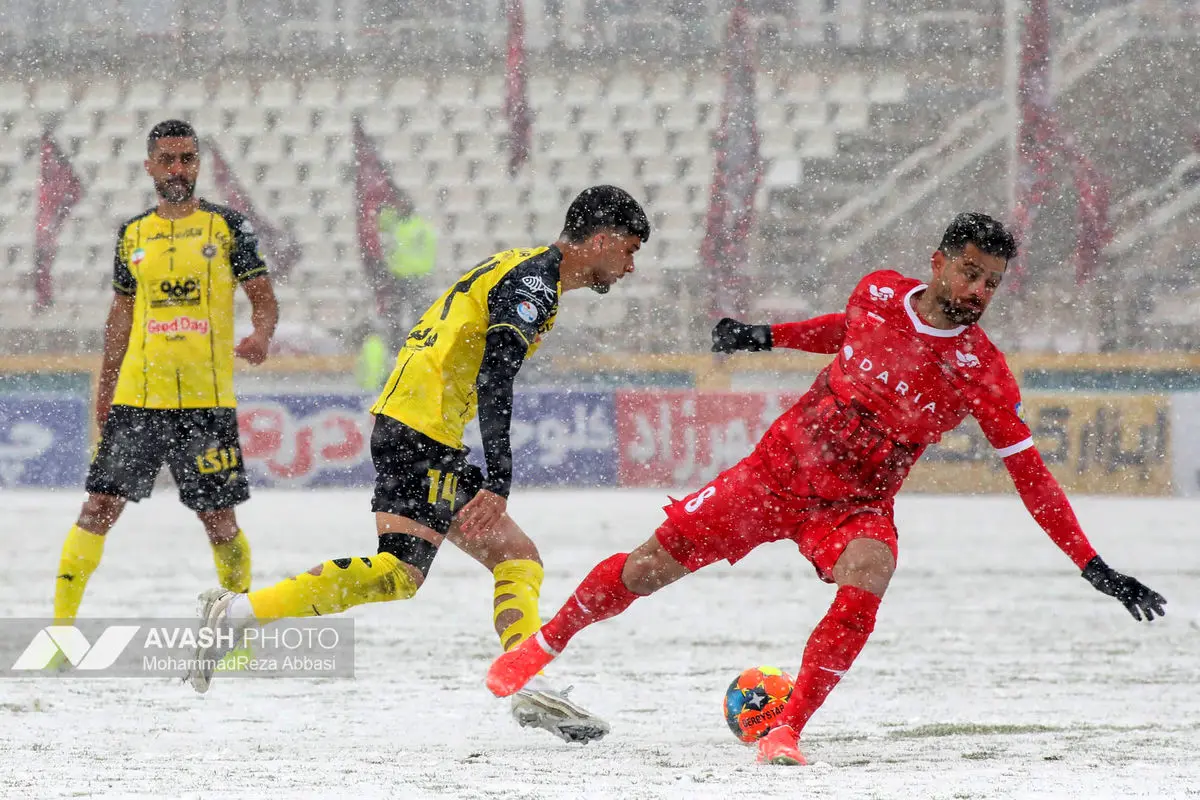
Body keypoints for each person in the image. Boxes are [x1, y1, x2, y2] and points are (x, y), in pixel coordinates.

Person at [484, 212, 1167, 765]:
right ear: (937, 261)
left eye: (991, 282)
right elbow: (845, 332)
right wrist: (764, 337)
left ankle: (787, 732)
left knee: (873, 567)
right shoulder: (877, 293)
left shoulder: (981, 372)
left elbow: (1031, 474)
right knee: (646, 567)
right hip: (775, 472)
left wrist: (1091, 563)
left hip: (854, 504)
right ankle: (541, 647)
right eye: (969, 272)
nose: (978, 292)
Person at [187, 185, 651, 744]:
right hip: (424, 429)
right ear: (598, 240)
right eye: (627, 251)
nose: (629, 266)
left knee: (486, 562)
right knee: (430, 570)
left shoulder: (521, 266)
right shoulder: (534, 283)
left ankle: (239, 614)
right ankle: (527, 676)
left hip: (412, 423)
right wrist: (500, 479)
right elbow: (495, 378)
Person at [53, 120, 278, 626]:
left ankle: (234, 633)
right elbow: (120, 318)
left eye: (187, 159)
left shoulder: (228, 227)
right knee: (97, 509)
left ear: (198, 164)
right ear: (149, 166)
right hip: (139, 399)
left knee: (220, 522)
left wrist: (261, 335)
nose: (178, 170)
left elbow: (263, 298)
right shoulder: (132, 234)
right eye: (168, 160)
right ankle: (60, 631)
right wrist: (106, 386)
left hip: (206, 402)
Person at [357, 190, 438, 392]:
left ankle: (411, 343)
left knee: (413, 314)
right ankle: (399, 342)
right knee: (398, 314)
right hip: (401, 276)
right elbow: (380, 222)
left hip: (412, 277)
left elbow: (426, 250)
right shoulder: (401, 224)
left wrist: (420, 270)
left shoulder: (416, 228)